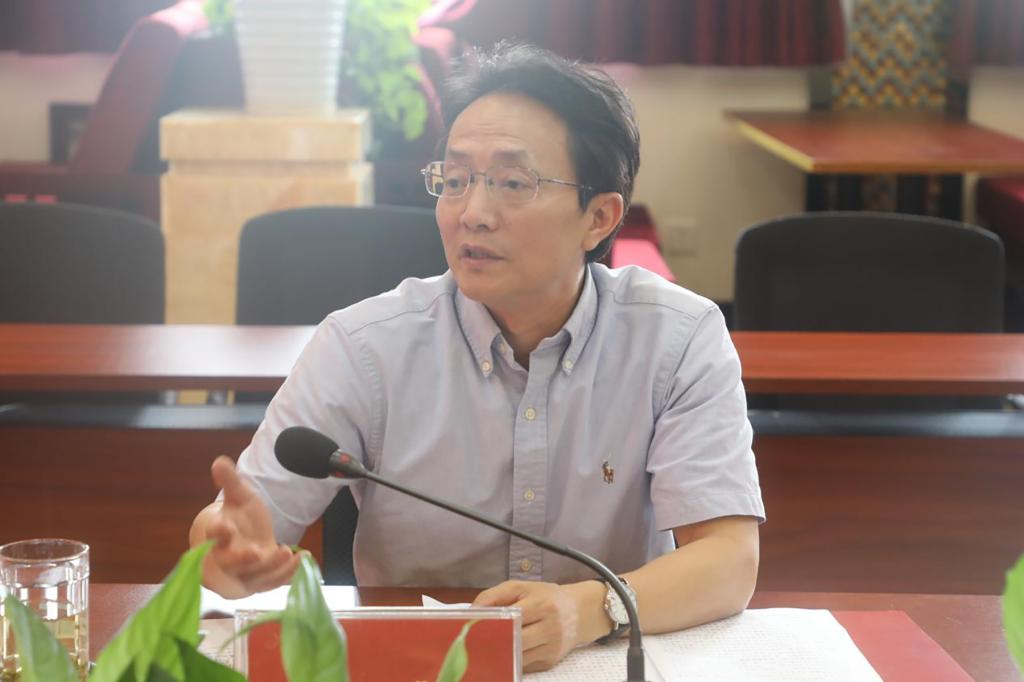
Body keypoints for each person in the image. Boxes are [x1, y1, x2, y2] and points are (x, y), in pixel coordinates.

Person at [190, 42, 764, 672]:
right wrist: (223, 552)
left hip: (600, 660)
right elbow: (241, 529)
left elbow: (729, 560)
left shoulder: (677, 339)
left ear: (599, 218)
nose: (473, 213)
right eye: (456, 180)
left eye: (513, 184)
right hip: (416, 666)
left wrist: (590, 609)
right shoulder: (363, 347)